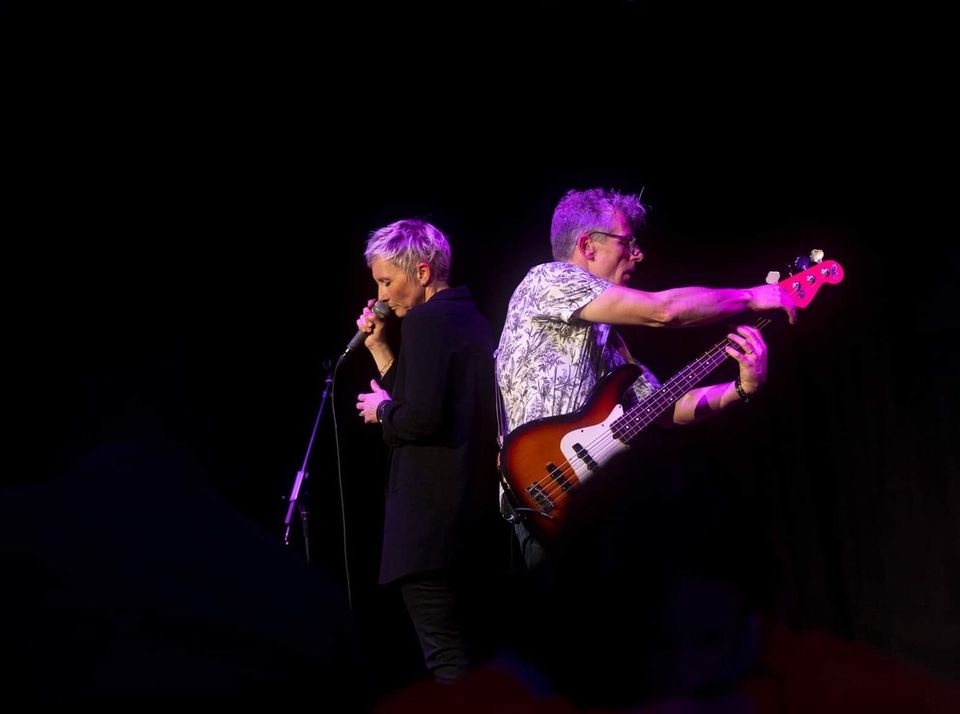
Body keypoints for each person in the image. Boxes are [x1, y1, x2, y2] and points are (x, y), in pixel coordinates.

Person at [495, 187, 798, 568]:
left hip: (589, 509)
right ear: (587, 246)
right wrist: (752, 297)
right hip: (547, 501)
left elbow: (664, 409)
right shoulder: (550, 279)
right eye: (627, 243)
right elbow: (664, 311)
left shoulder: (607, 339)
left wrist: (741, 388)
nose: (638, 255)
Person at [353, 219, 505, 684]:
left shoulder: (424, 321)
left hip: (427, 532)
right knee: (476, 660)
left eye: (386, 281)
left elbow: (418, 418)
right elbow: (428, 400)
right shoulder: (470, 321)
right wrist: (380, 348)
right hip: (470, 527)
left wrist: (382, 411)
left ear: (421, 272)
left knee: (448, 665)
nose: (381, 295)